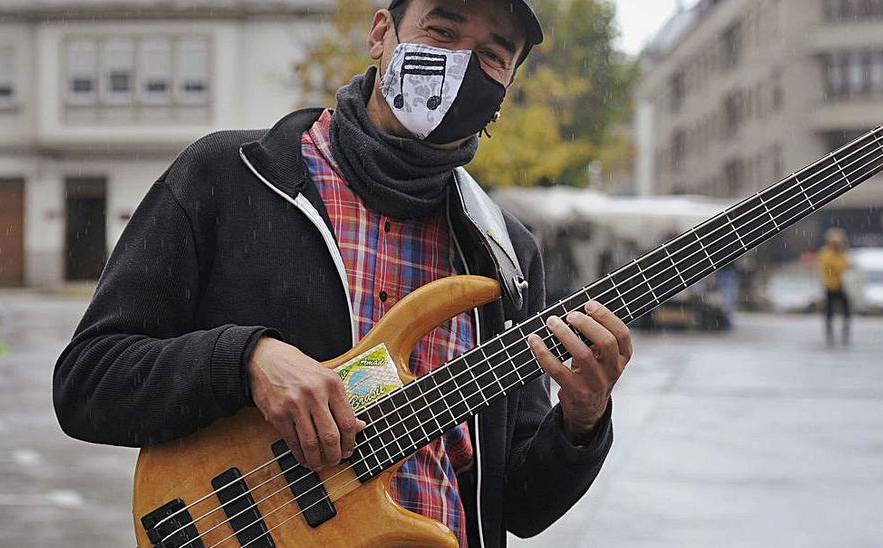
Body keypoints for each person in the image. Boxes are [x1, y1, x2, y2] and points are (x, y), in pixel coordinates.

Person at [52, 2, 629, 546]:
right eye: (442, 32)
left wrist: (581, 423)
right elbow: (87, 382)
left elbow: (518, 506)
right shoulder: (228, 178)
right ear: (381, 34)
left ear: (507, 86)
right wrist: (246, 361)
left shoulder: (504, 252)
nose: (460, 66)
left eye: (492, 56)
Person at [818, 228, 852, 345]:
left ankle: (845, 327)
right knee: (830, 309)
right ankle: (829, 328)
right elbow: (838, 267)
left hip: (841, 285)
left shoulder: (841, 254)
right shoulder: (827, 254)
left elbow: (847, 265)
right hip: (831, 285)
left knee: (845, 307)